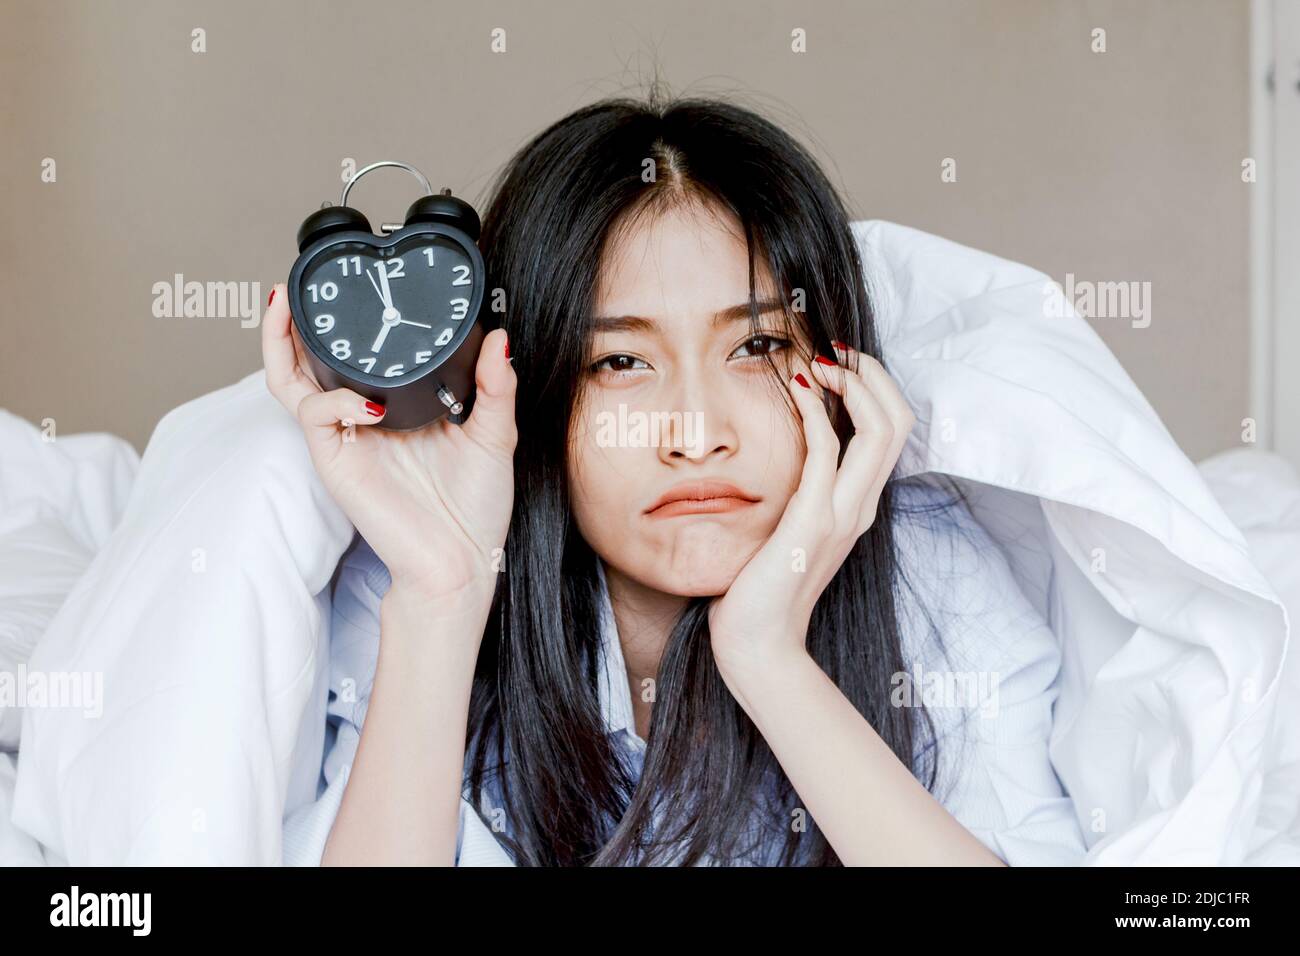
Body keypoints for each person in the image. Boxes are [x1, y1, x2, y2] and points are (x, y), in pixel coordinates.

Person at [264, 90, 1087, 866]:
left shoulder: (933, 573)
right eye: (620, 361)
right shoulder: (414, 587)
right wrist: (442, 598)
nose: (696, 436)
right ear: (529, 392)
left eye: (758, 347)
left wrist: (768, 657)